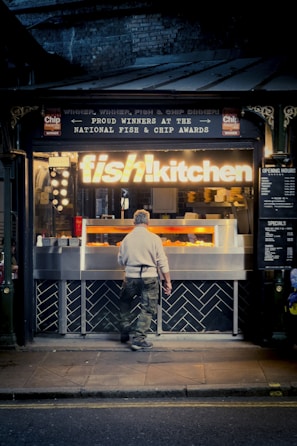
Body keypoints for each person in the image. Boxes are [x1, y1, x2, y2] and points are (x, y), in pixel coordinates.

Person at [118, 209, 172, 351]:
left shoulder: (126, 239)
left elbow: (121, 260)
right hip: (149, 277)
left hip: (130, 277)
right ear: (148, 222)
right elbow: (162, 262)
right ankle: (139, 339)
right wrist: (168, 282)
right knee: (147, 308)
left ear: (134, 222)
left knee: (125, 303)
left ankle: (125, 331)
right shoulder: (154, 238)